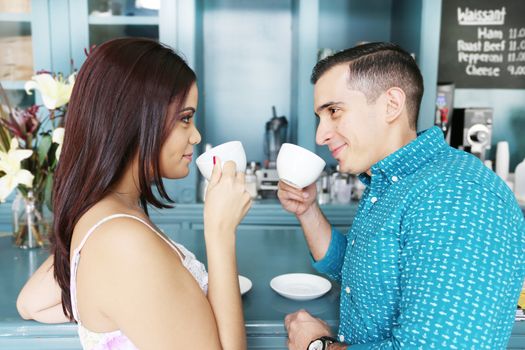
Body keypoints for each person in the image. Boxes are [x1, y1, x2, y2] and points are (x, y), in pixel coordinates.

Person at [278, 42, 525, 349]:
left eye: (333, 111)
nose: (320, 135)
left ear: (391, 104)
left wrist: (317, 346)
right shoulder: (395, 182)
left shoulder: (455, 195)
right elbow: (365, 275)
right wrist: (307, 209)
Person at [16, 37, 252, 349]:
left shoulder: (103, 214)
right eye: (185, 118)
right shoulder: (122, 241)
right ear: (135, 119)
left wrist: (123, 308)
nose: (196, 135)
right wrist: (220, 232)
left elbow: (31, 303)